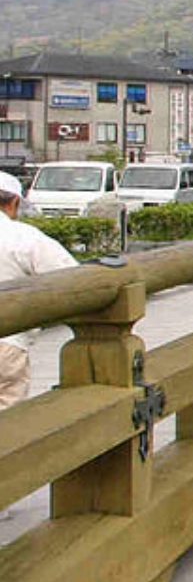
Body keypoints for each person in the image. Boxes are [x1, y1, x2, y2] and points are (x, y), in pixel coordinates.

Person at [0, 171, 79, 411]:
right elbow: (74, 279)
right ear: (14, 202)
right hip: (7, 341)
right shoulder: (23, 236)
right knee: (7, 419)